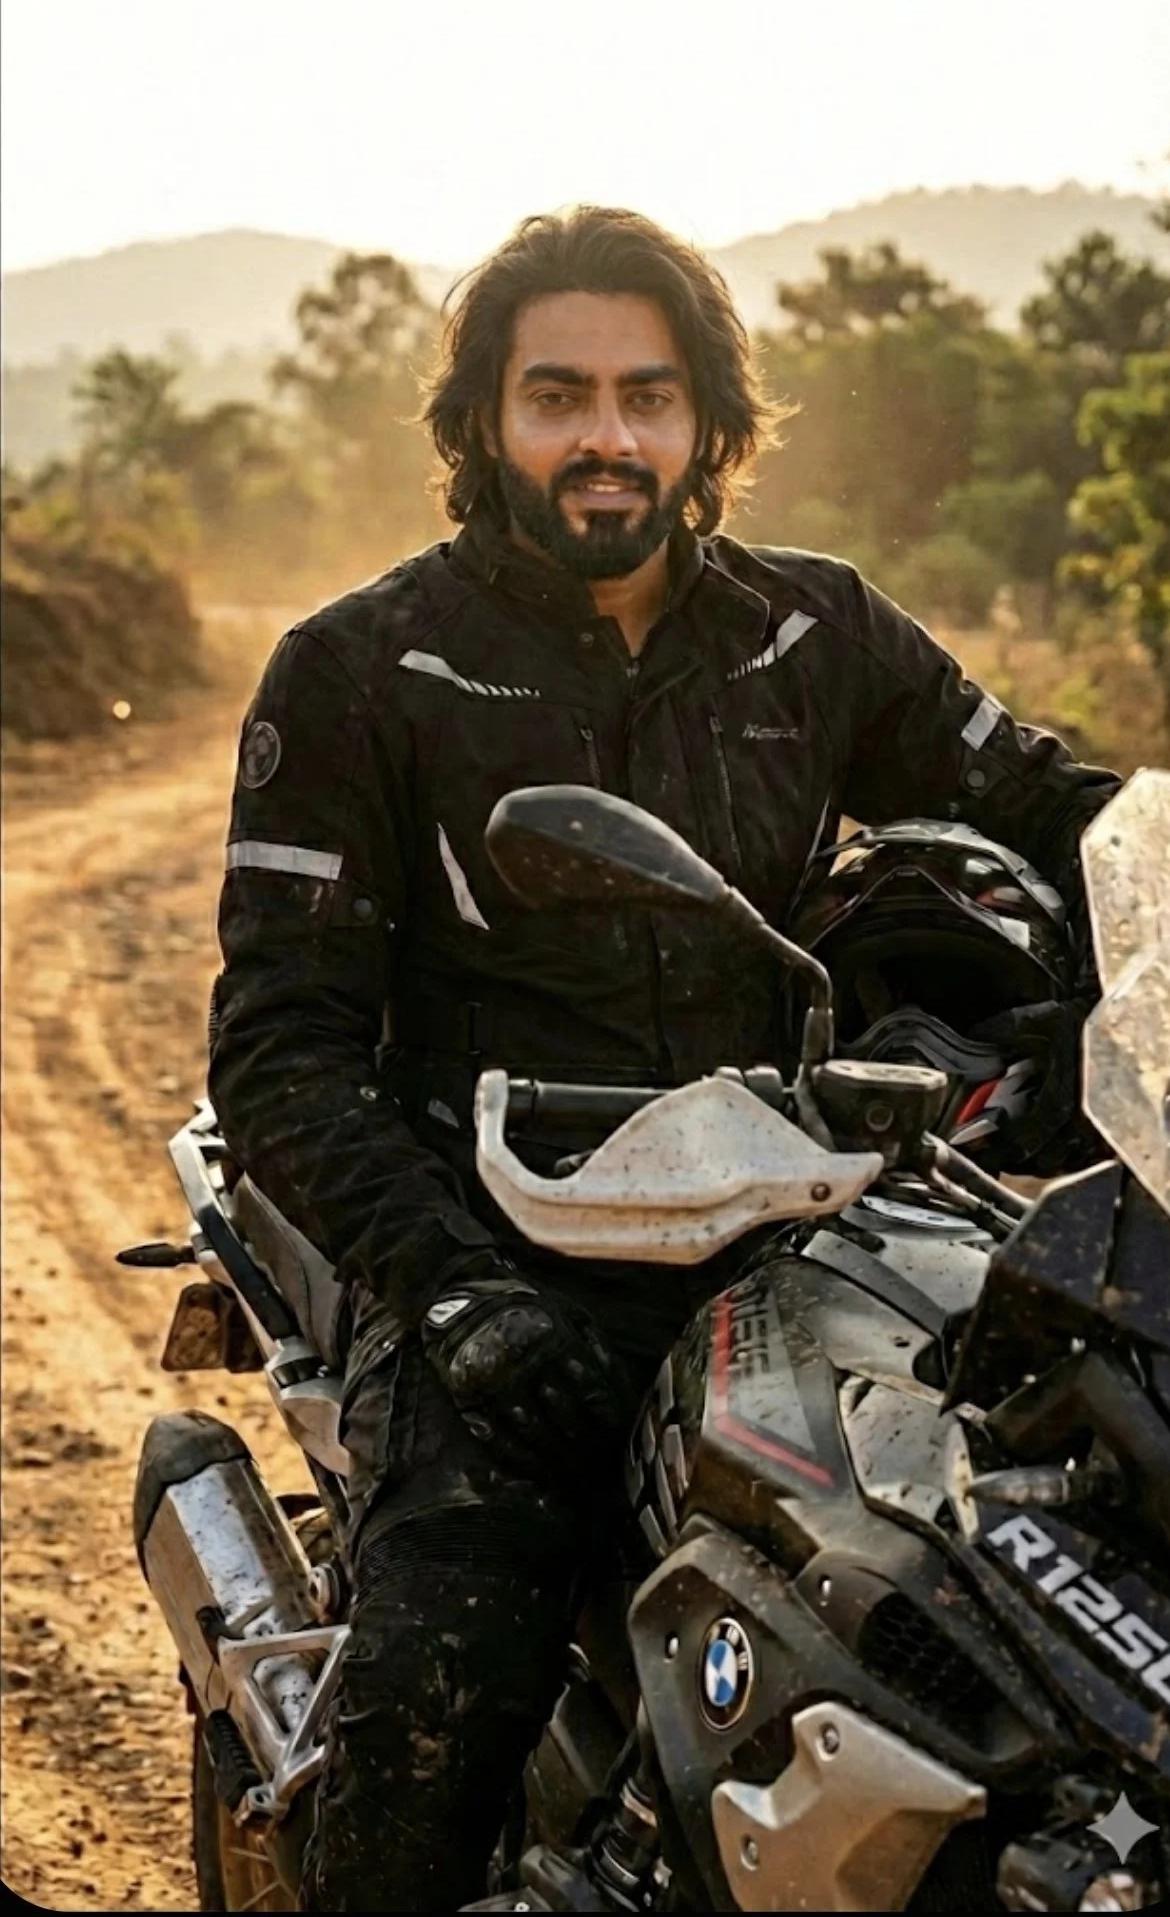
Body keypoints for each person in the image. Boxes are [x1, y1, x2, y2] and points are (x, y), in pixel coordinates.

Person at [207, 206, 1119, 1911]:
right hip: (491, 1247)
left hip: (794, 1217)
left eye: (648, 394)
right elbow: (276, 1047)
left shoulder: (815, 632)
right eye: (559, 393)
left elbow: (1067, 815)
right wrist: (453, 1296)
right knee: (438, 1700)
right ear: (484, 420)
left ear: (710, 426)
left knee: (1012, 1582)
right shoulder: (359, 671)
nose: (607, 436)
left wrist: (1155, 917)